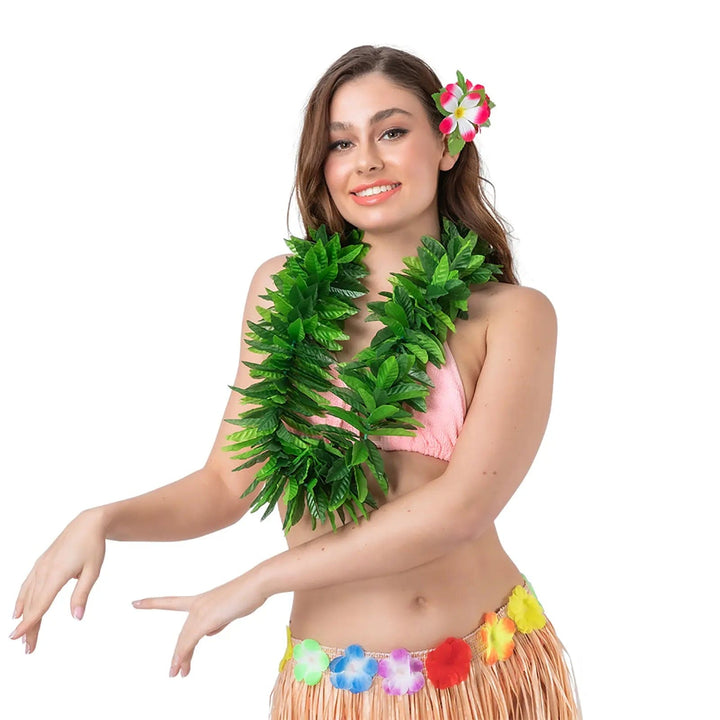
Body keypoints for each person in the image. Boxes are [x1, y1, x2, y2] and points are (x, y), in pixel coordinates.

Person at [10, 45, 582, 719]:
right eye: (341, 143)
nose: (366, 160)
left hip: (483, 675)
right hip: (334, 690)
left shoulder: (512, 316)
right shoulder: (281, 292)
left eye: (392, 131)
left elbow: (459, 510)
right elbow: (228, 482)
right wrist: (103, 518)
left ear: (447, 143)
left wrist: (259, 582)